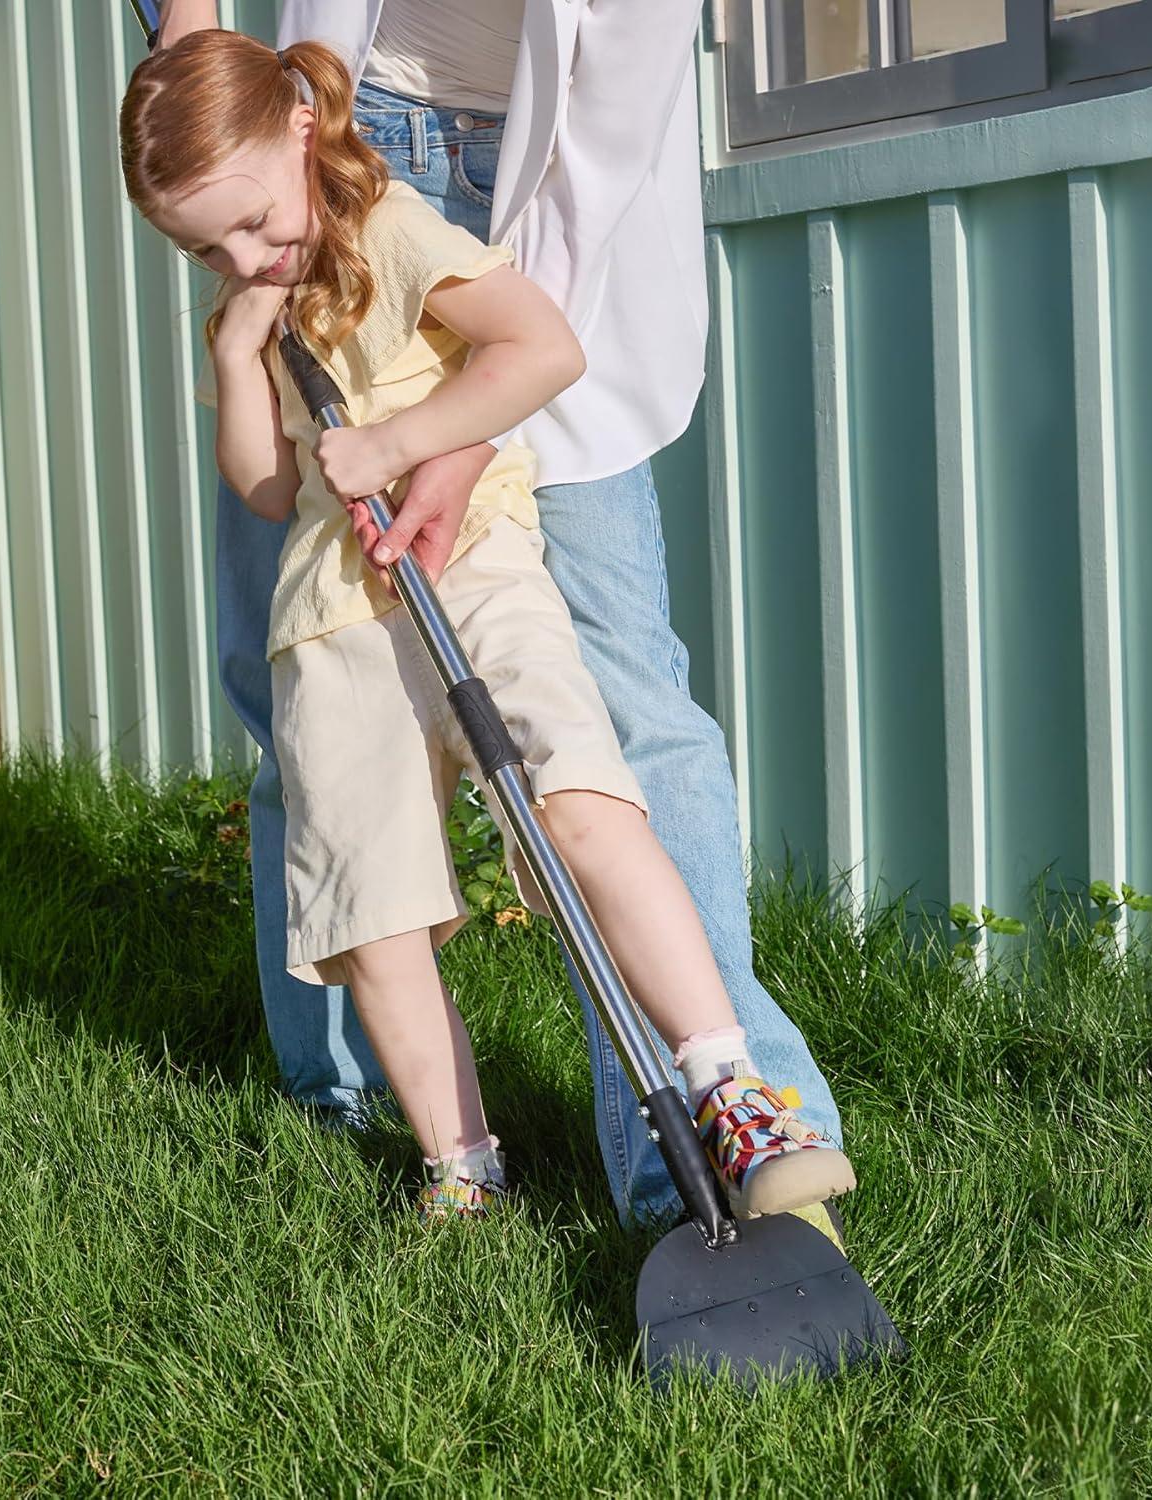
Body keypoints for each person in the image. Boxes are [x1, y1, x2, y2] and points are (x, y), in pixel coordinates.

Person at [119, 29, 856, 1224]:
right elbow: (265, 489)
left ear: (300, 128)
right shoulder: (255, 289)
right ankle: (462, 1166)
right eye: (207, 247)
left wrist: (403, 443)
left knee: (581, 794)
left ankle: (730, 1089)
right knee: (372, 900)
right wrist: (238, 354)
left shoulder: (394, 229)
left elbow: (544, 346)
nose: (244, 257)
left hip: (476, 564)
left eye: (251, 223)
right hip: (334, 611)